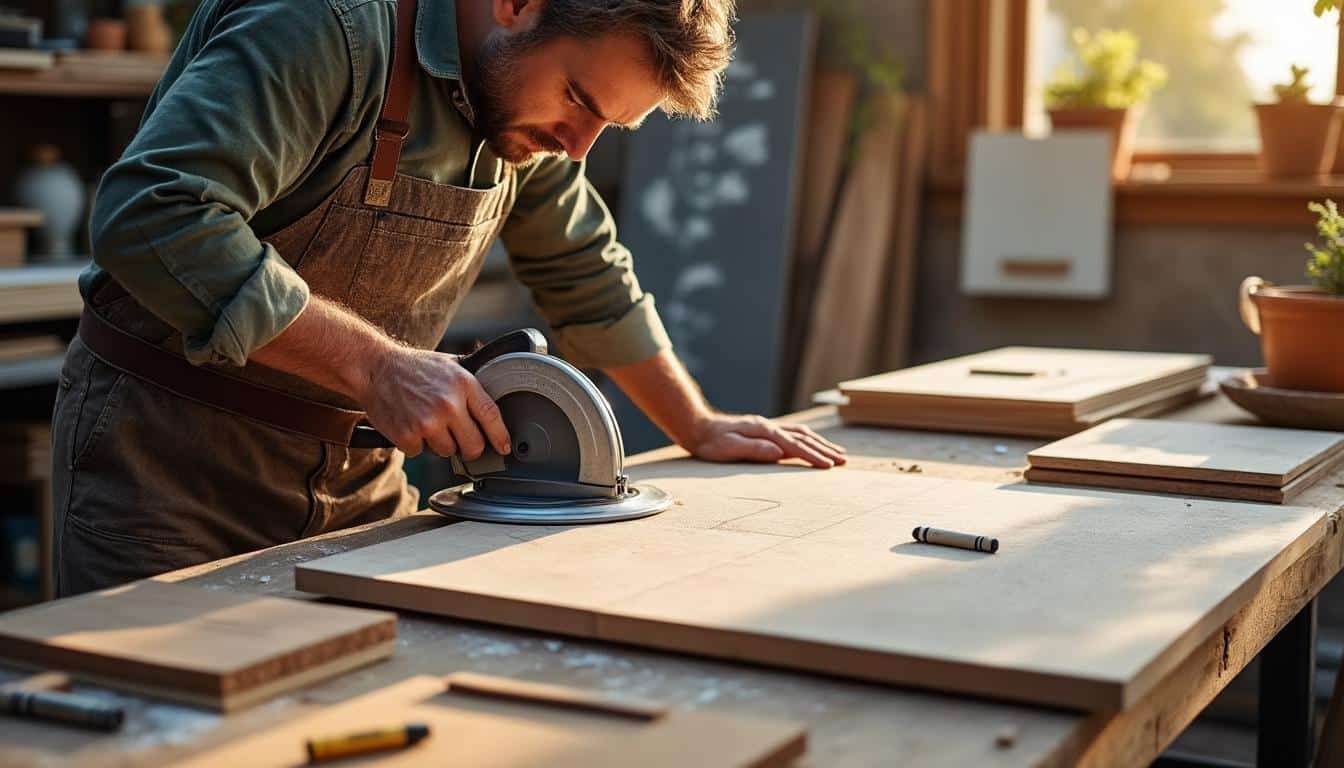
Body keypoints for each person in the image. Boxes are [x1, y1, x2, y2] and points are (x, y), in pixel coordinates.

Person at [52, 0, 846, 596]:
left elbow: (584, 269)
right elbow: (153, 211)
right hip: (166, 468)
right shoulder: (327, 27)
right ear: (515, 4)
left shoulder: (520, 106)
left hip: (358, 481)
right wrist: (376, 367)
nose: (577, 146)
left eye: (609, 125)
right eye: (578, 98)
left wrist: (694, 423)